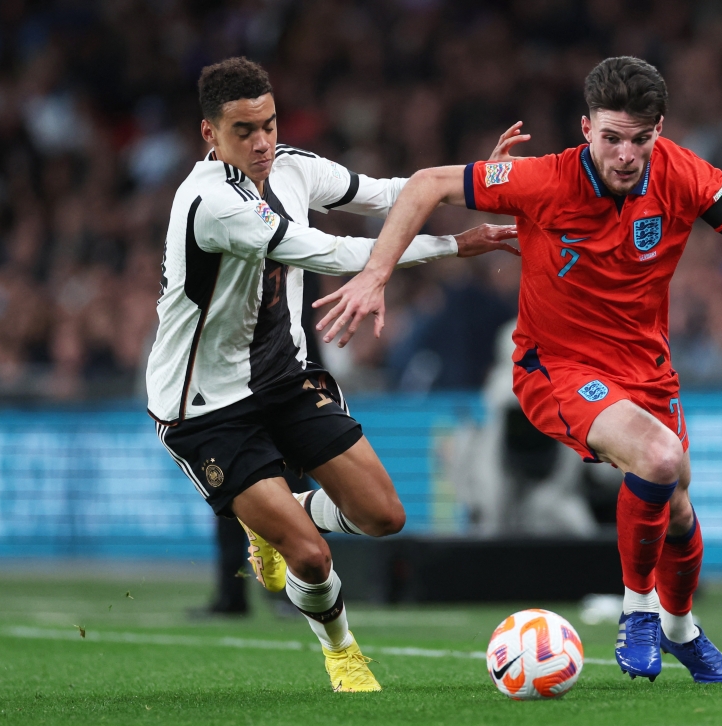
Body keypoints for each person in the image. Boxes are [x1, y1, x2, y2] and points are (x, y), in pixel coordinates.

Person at [314, 56, 722, 684]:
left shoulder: (684, 174)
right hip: (555, 365)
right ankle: (638, 612)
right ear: (586, 127)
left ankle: (681, 628)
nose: (626, 155)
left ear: (660, 131)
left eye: (640, 140)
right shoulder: (543, 180)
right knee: (658, 456)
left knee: (676, 506)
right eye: (611, 138)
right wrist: (375, 274)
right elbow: (427, 183)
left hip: (646, 368)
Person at [146, 57, 518, 692]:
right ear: (209, 135)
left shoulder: (291, 166)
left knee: (383, 517)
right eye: (243, 131)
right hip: (206, 407)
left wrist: (476, 183)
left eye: (267, 123)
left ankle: (279, 513)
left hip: (283, 380)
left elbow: (387, 193)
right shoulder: (211, 203)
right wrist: (455, 243)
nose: (261, 142)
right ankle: (343, 653)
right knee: (312, 556)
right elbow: (335, 252)